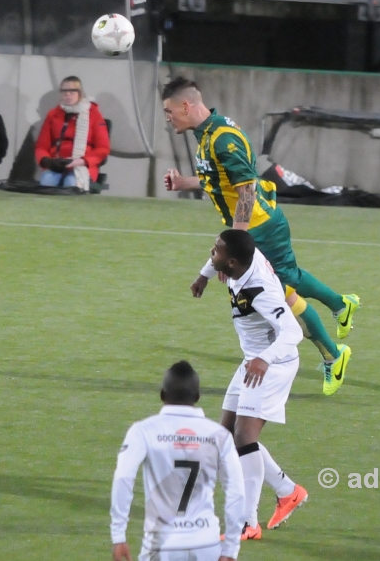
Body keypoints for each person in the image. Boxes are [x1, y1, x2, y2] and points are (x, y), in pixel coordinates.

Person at [162, 77, 356, 396]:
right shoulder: (209, 134)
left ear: (186, 105)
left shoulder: (221, 138)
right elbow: (219, 180)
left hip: (259, 227)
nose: (168, 119)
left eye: (170, 111)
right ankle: (339, 316)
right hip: (255, 226)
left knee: (283, 296)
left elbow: (246, 189)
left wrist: (236, 244)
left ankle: (335, 350)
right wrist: (184, 183)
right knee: (286, 289)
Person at [198, 230, 309, 541]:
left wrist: (265, 359)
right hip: (253, 360)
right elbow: (231, 246)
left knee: (244, 438)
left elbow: (292, 332)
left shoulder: (260, 290)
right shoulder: (243, 261)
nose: (212, 252)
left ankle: (248, 523)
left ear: (232, 262)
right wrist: (204, 275)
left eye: (217, 252)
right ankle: (288, 491)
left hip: (272, 365)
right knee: (227, 437)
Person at [110, 360, 245, 561]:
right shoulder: (219, 435)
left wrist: (118, 535)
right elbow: (237, 491)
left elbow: (123, 478)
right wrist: (231, 548)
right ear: (198, 396)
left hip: (160, 546)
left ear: (162, 394)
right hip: (206, 543)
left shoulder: (143, 431)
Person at [34, 76, 110, 192]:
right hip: (56, 164)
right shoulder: (53, 115)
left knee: (72, 184)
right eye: (64, 91)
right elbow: (41, 146)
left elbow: (103, 149)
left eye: (72, 91)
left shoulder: (94, 115)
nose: (68, 94)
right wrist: (48, 162)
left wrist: (81, 161)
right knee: (47, 182)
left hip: (82, 166)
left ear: (80, 93)